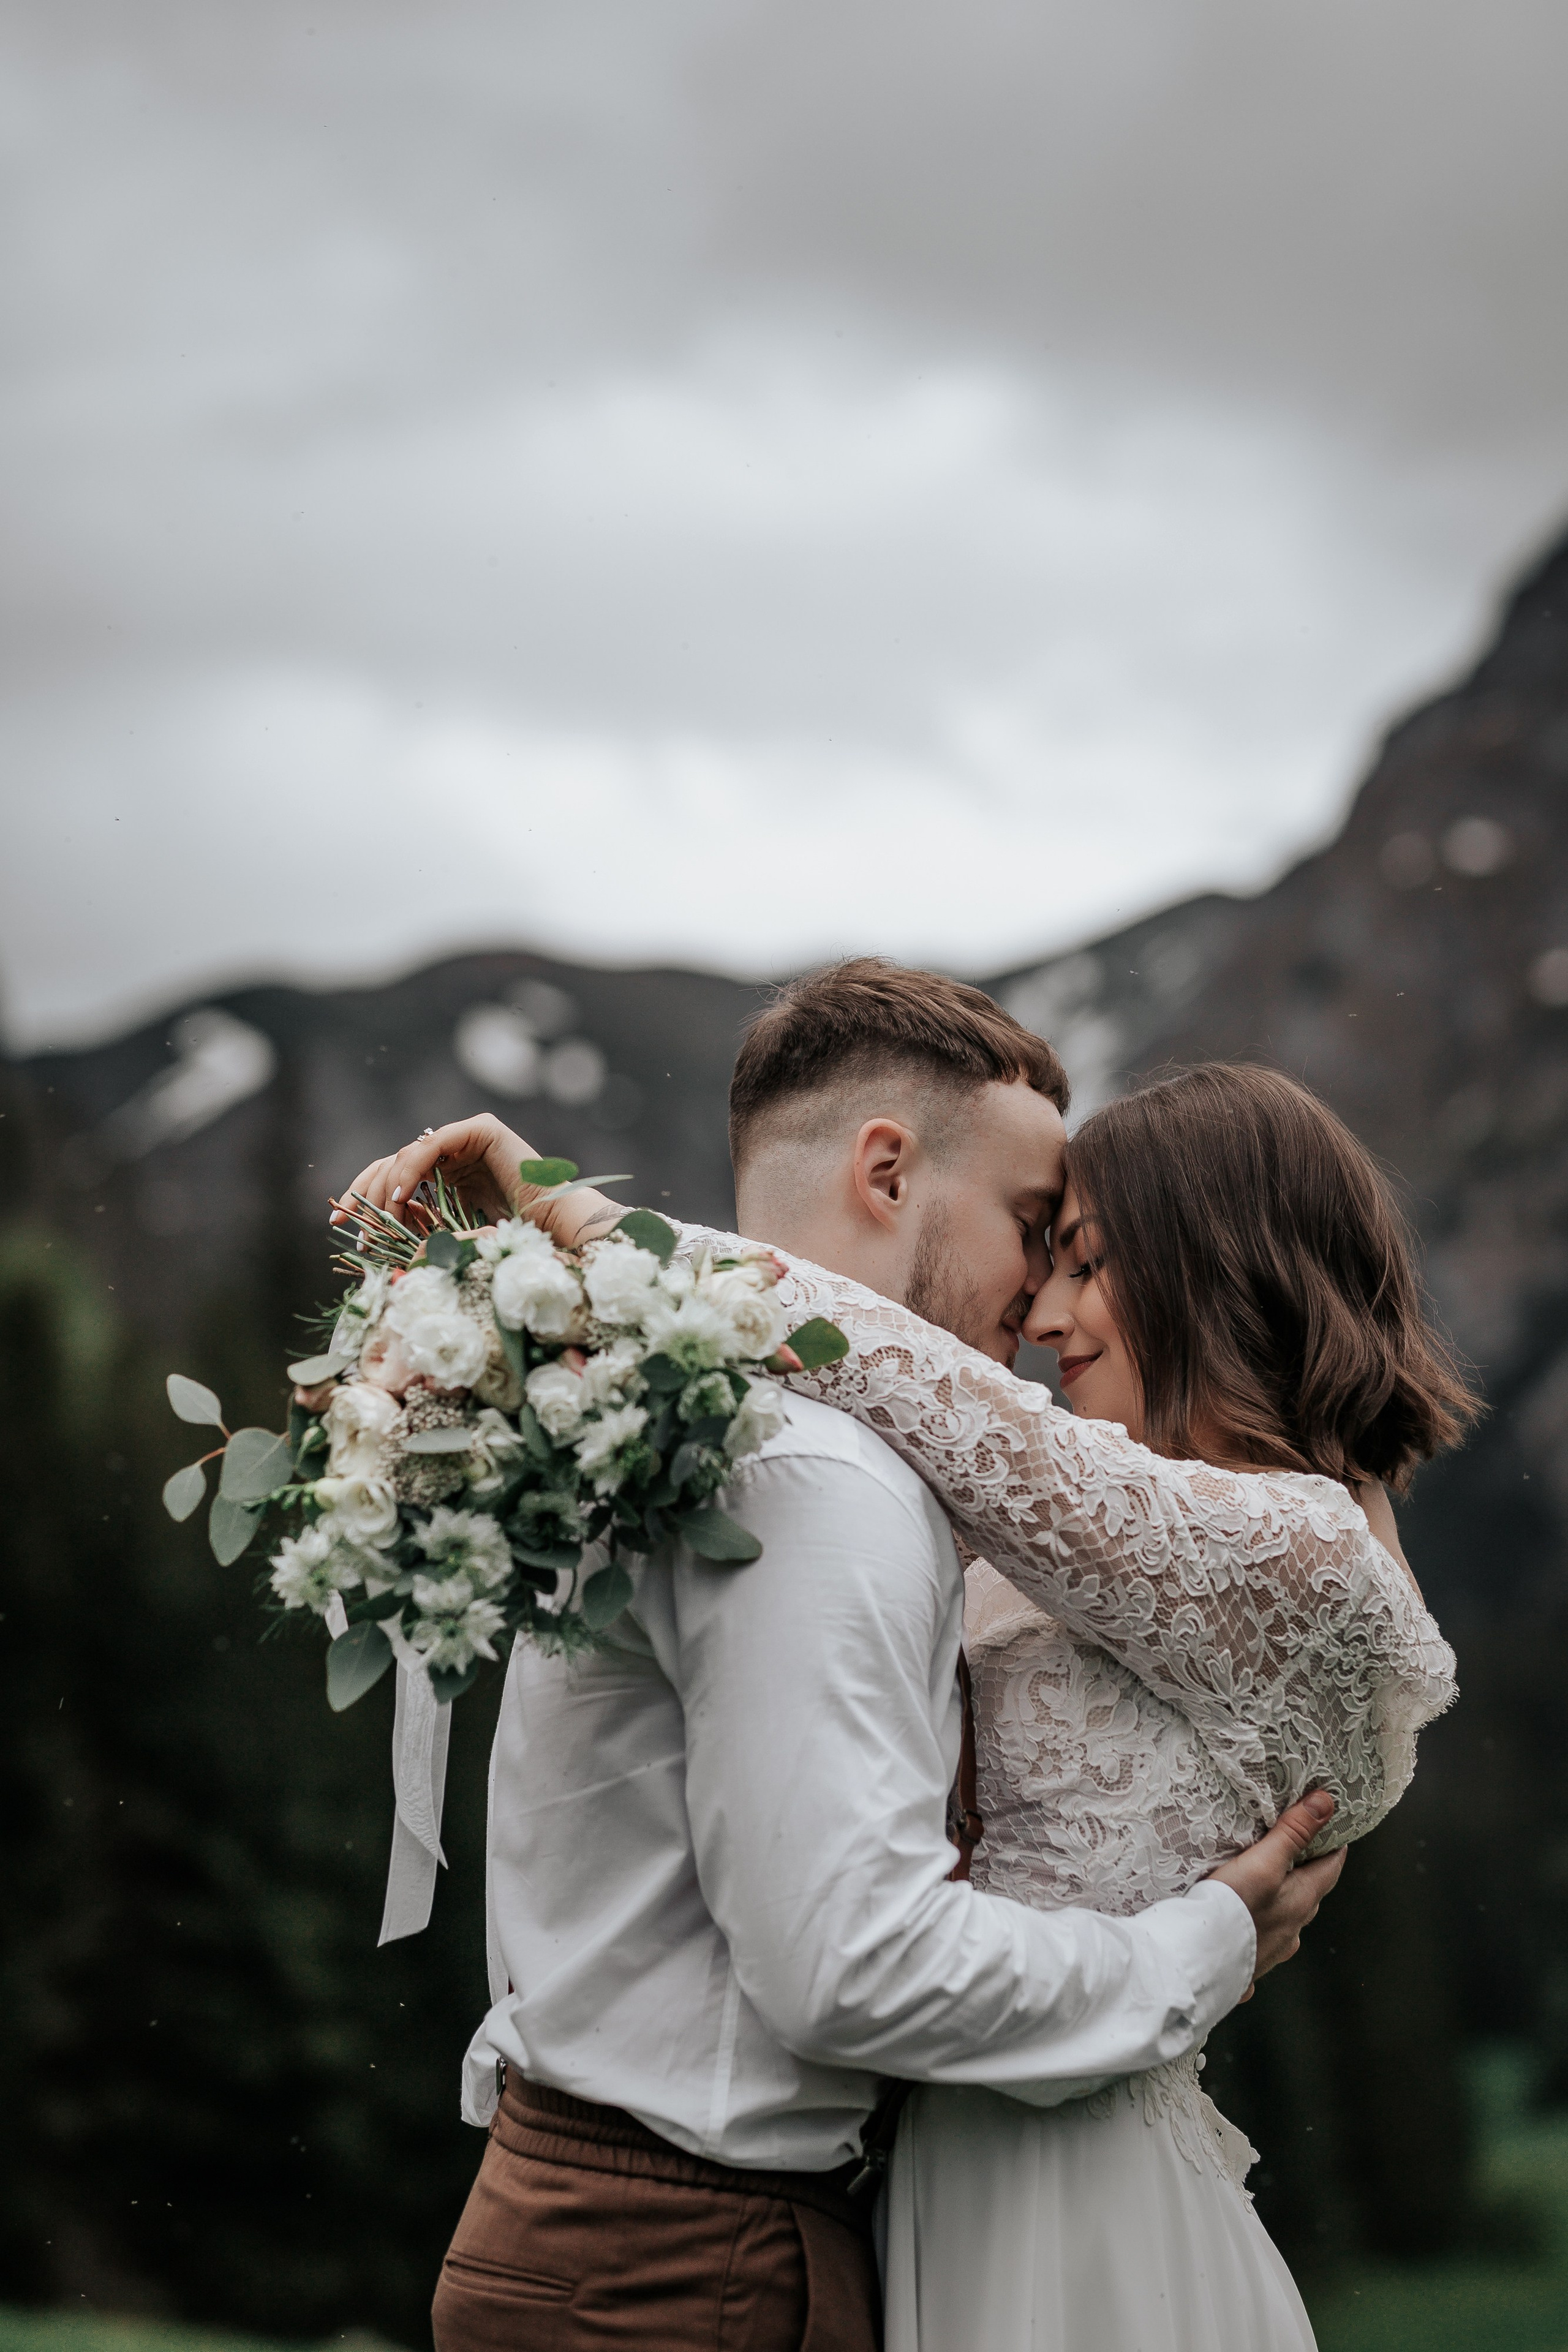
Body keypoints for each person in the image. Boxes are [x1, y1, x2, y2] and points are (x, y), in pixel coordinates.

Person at [339, 962, 1376, 2352]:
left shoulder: (677, 1415)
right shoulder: (815, 1473)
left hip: (654, 2225)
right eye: (1032, 1229)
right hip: (691, 2261)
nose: (1034, 1305)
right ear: (885, 1170)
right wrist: (1198, 1943)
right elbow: (851, 1970)